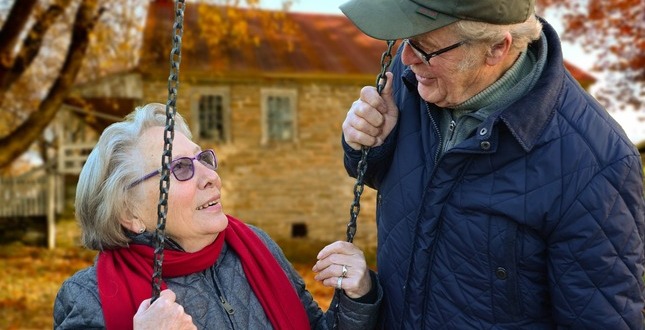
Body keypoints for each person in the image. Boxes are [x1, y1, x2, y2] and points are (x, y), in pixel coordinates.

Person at [339, 0, 645, 328]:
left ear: (497, 48)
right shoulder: (413, 79)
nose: (407, 58)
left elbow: (601, 319)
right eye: (405, 40)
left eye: (424, 47)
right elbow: (384, 179)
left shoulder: (595, 163)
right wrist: (368, 145)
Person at [53, 103, 382, 329]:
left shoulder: (255, 247)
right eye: (180, 168)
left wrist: (357, 297)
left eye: (203, 159)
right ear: (129, 213)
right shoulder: (88, 297)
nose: (209, 175)